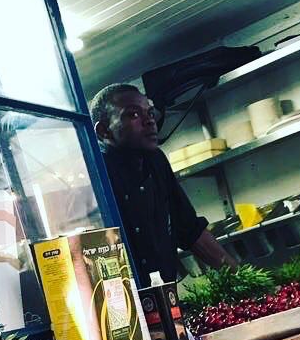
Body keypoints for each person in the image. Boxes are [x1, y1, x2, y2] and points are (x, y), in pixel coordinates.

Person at [91, 84, 236, 286]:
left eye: (150, 113)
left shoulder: (156, 160)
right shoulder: (94, 177)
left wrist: (240, 278)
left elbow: (189, 229)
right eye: (133, 114)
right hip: (124, 299)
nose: (149, 121)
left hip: (165, 292)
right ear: (104, 131)